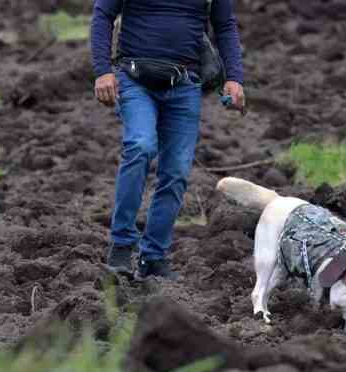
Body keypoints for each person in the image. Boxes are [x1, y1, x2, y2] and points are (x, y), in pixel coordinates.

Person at [90, 0, 245, 281]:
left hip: (185, 83)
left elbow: (225, 25)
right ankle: (122, 246)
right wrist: (103, 71)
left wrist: (234, 77)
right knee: (139, 146)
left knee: (175, 172)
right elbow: (103, 14)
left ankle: (153, 257)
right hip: (135, 78)